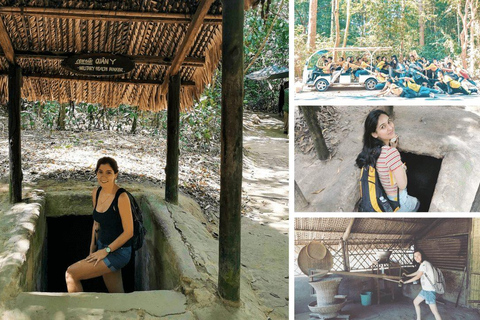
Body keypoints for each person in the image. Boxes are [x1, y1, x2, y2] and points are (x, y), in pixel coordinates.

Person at [65, 157, 134, 293]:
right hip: (101, 247)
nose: (104, 176)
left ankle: (79, 313)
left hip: (118, 252)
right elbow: (96, 223)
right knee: (116, 294)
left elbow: (129, 232)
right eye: (100, 172)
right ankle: (123, 312)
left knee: (71, 274)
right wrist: (93, 248)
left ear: (116, 174)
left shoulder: (121, 197)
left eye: (108, 172)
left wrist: (105, 251)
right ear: (96, 173)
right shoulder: (96, 192)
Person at [355, 110, 420, 212]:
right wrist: (403, 168)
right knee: (417, 202)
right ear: (374, 134)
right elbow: (403, 185)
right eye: (383, 127)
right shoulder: (392, 154)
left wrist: (392, 147)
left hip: (385, 199)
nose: (390, 128)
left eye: (389, 122)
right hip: (400, 202)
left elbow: (385, 164)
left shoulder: (372, 152)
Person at [400, 250, 443, 320]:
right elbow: (417, 272)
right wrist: (407, 275)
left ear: (422, 255)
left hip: (429, 291)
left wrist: (405, 282)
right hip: (425, 290)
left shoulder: (425, 264)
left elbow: (418, 276)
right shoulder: (422, 264)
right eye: (415, 256)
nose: (416, 257)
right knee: (415, 302)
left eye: (418, 255)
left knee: (434, 311)